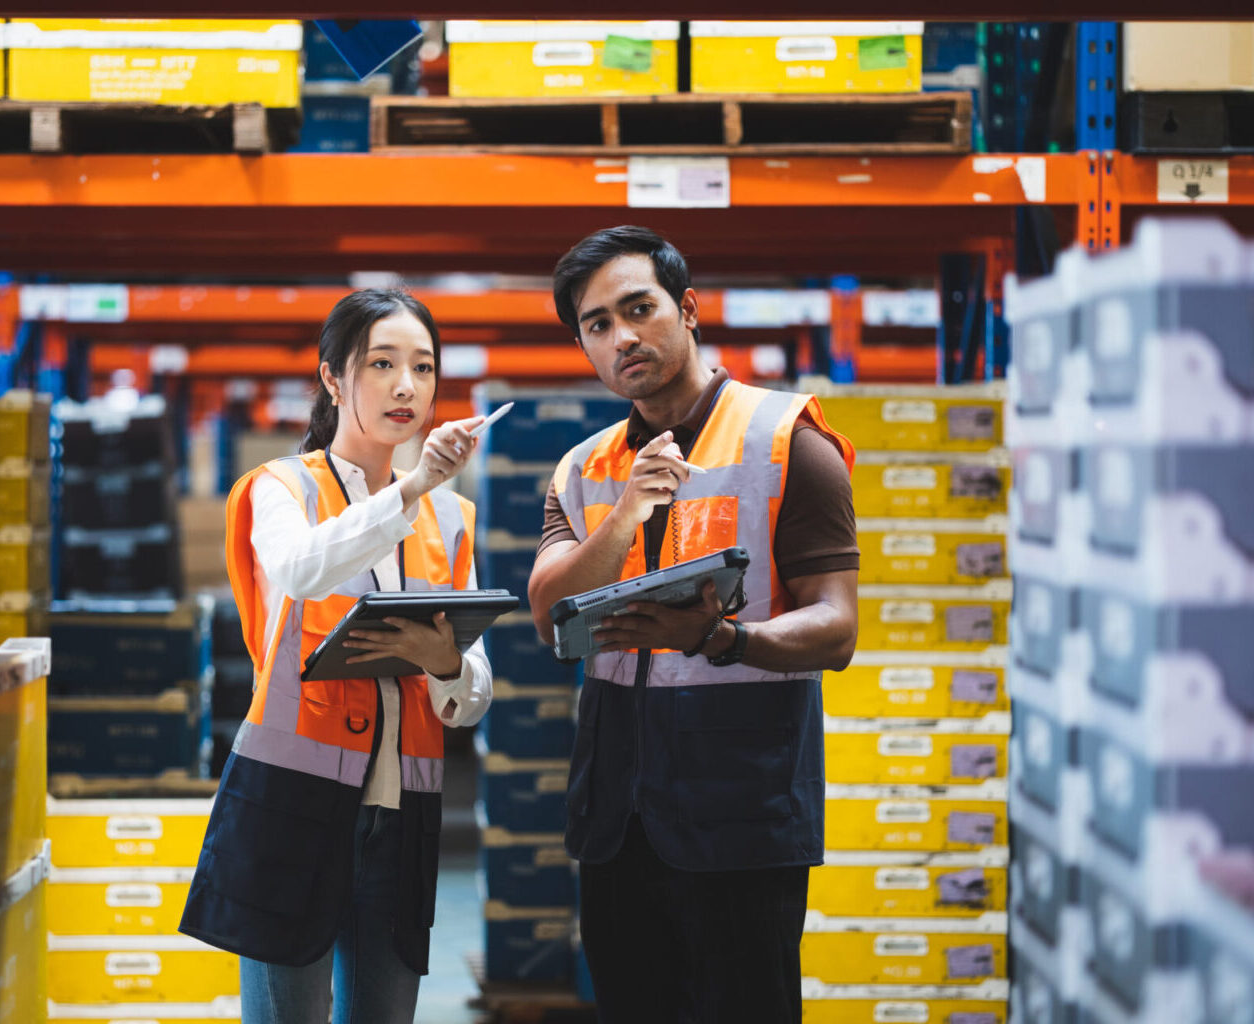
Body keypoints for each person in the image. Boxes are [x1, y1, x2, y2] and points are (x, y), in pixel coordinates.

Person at [527, 227, 860, 1024]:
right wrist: (626, 516)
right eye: (597, 325)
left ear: (688, 308)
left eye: (639, 309)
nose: (623, 337)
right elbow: (547, 613)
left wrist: (720, 639)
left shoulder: (790, 442)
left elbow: (837, 627)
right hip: (618, 815)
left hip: (742, 806)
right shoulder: (584, 469)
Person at [180, 289, 493, 1024]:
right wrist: (411, 487)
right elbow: (300, 570)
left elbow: (473, 694)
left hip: (403, 814)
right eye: (381, 363)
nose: (406, 385)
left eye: (423, 366)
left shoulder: (453, 517)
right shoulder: (280, 489)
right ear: (332, 379)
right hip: (292, 799)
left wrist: (444, 662)